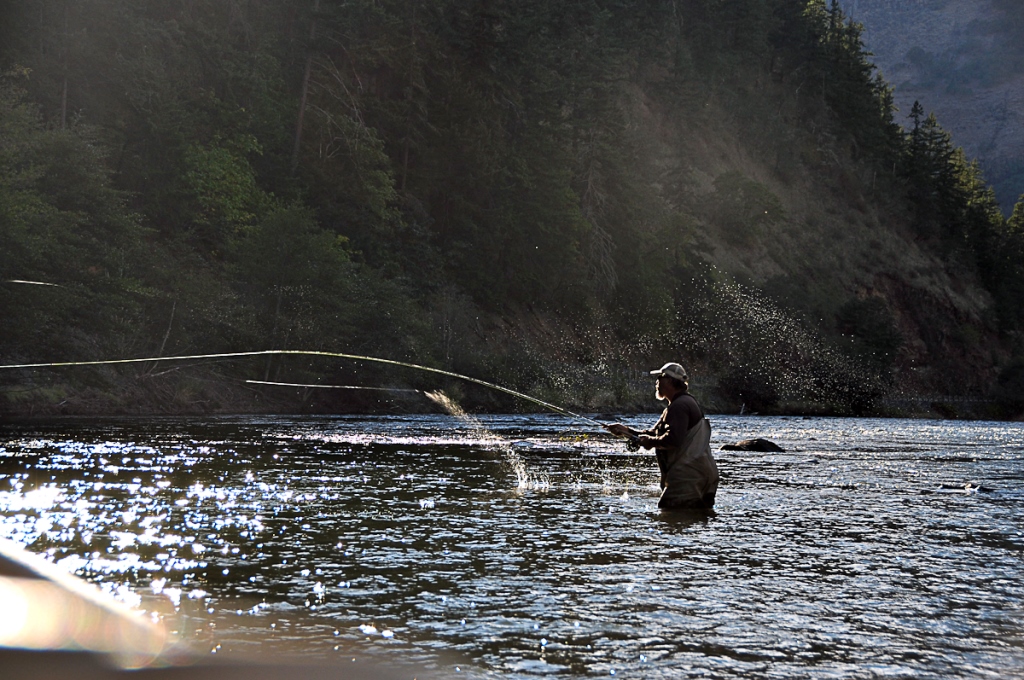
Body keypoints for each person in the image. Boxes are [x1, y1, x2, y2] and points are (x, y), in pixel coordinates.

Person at [606, 362, 719, 510]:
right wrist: (625, 431)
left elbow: (673, 440)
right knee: (697, 516)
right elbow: (654, 434)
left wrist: (649, 442)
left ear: (670, 381)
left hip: (688, 476)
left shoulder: (679, 406)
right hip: (701, 473)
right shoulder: (681, 403)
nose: (657, 382)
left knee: (670, 513)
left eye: (660, 378)